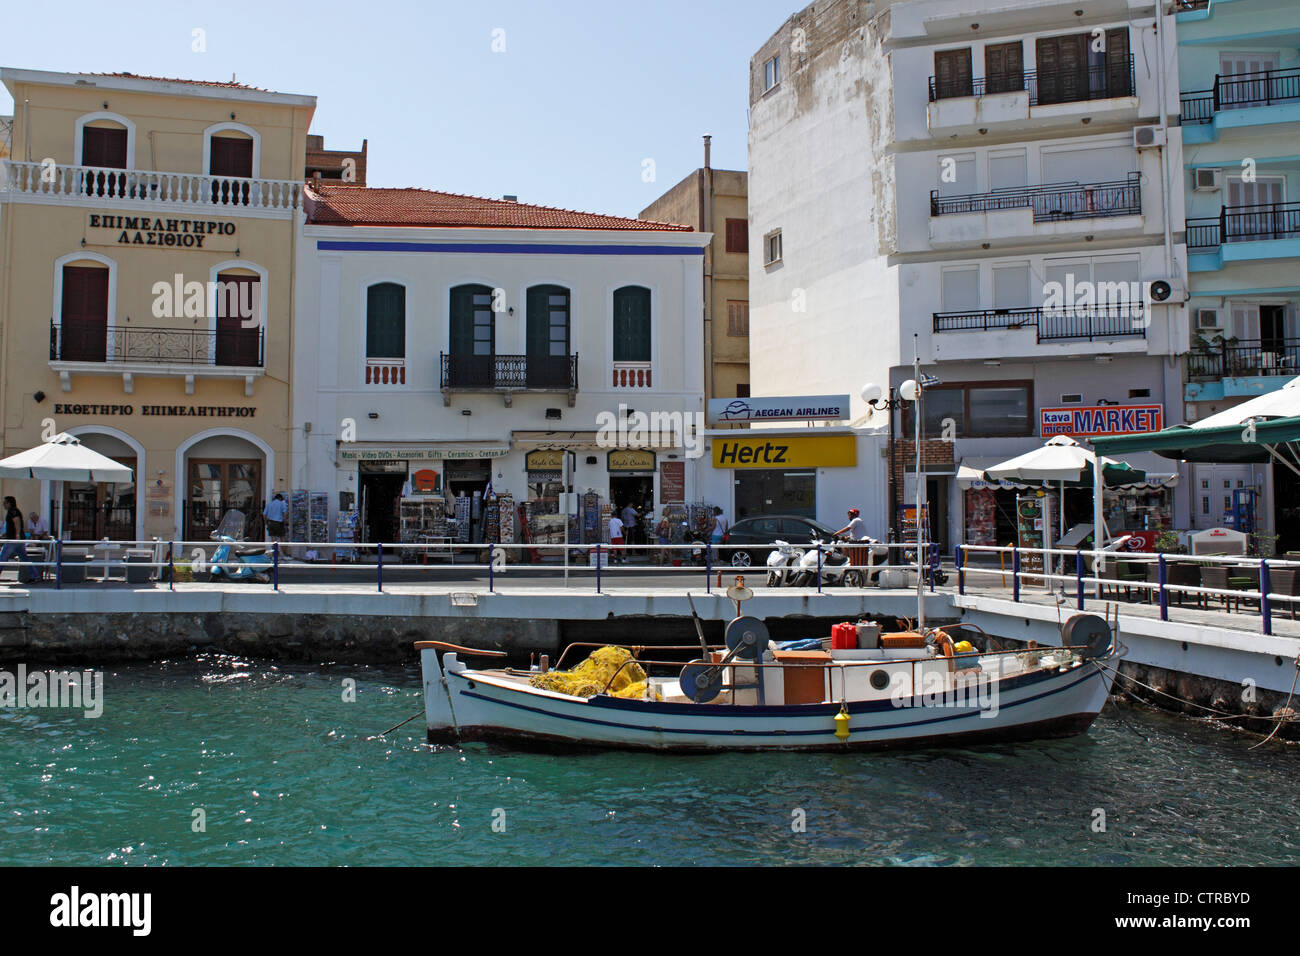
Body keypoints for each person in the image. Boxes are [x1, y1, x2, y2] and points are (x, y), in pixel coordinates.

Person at [1, 497, 33, 584]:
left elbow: (17, 522)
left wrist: (17, 534)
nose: (3, 505)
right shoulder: (12, 511)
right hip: (16, 539)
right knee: (24, 558)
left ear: (9, 503)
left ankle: (34, 575)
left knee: (2, 557)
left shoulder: (13, 511)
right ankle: (34, 575)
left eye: (5, 503)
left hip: (13, 540)